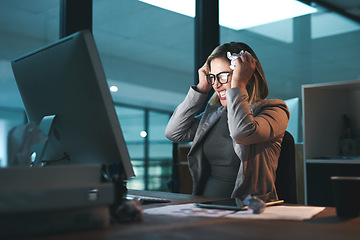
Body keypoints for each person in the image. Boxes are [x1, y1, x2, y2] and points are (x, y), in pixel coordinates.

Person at [165, 42, 290, 201]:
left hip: (248, 210)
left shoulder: (275, 110)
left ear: (246, 74)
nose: (216, 85)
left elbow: (242, 133)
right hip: (206, 206)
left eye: (223, 76)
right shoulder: (214, 114)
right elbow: (174, 133)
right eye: (212, 77)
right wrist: (201, 88)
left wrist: (238, 85)